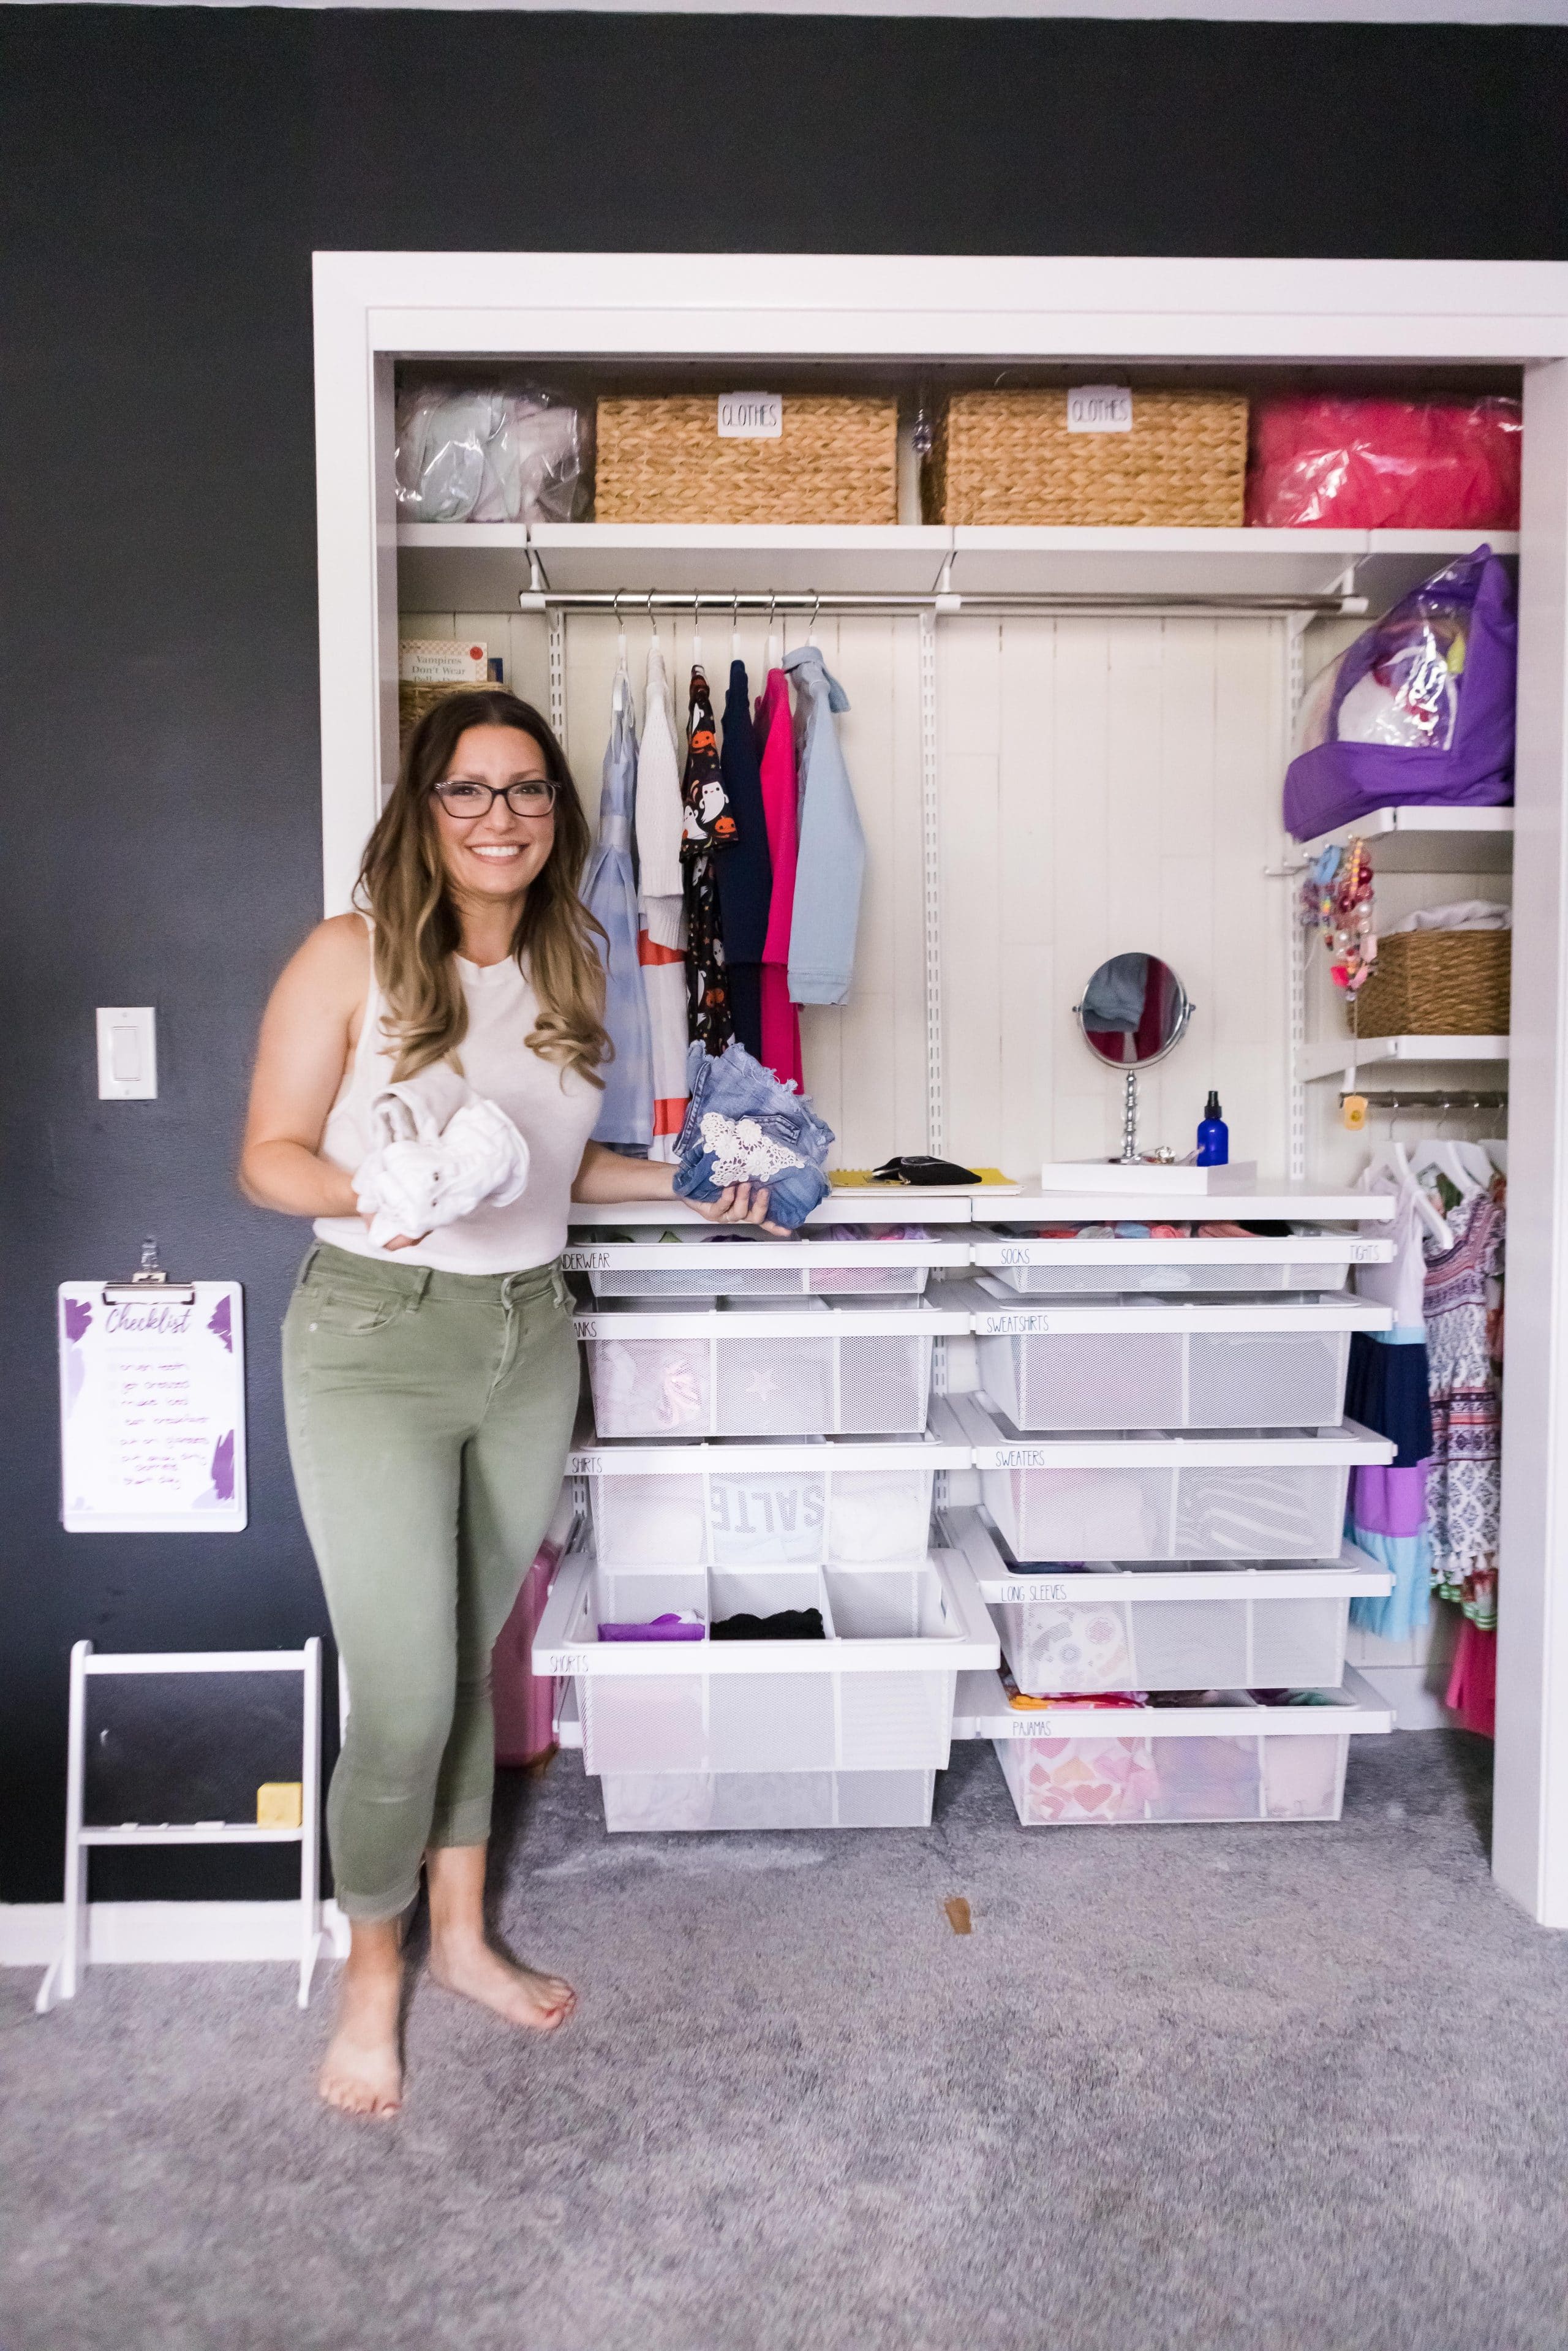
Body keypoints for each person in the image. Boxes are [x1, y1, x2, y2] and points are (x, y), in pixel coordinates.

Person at [241, 690, 780, 2118]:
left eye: (528, 789)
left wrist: (688, 1184)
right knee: (404, 1687)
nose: (502, 815)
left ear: (558, 812)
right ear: (423, 808)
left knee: (473, 1653)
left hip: (528, 1333)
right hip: (375, 1332)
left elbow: (553, 1170)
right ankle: (372, 1973)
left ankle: (464, 1937)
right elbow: (266, 1156)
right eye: (469, 789)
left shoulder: (574, 962)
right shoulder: (348, 954)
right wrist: (380, 1186)